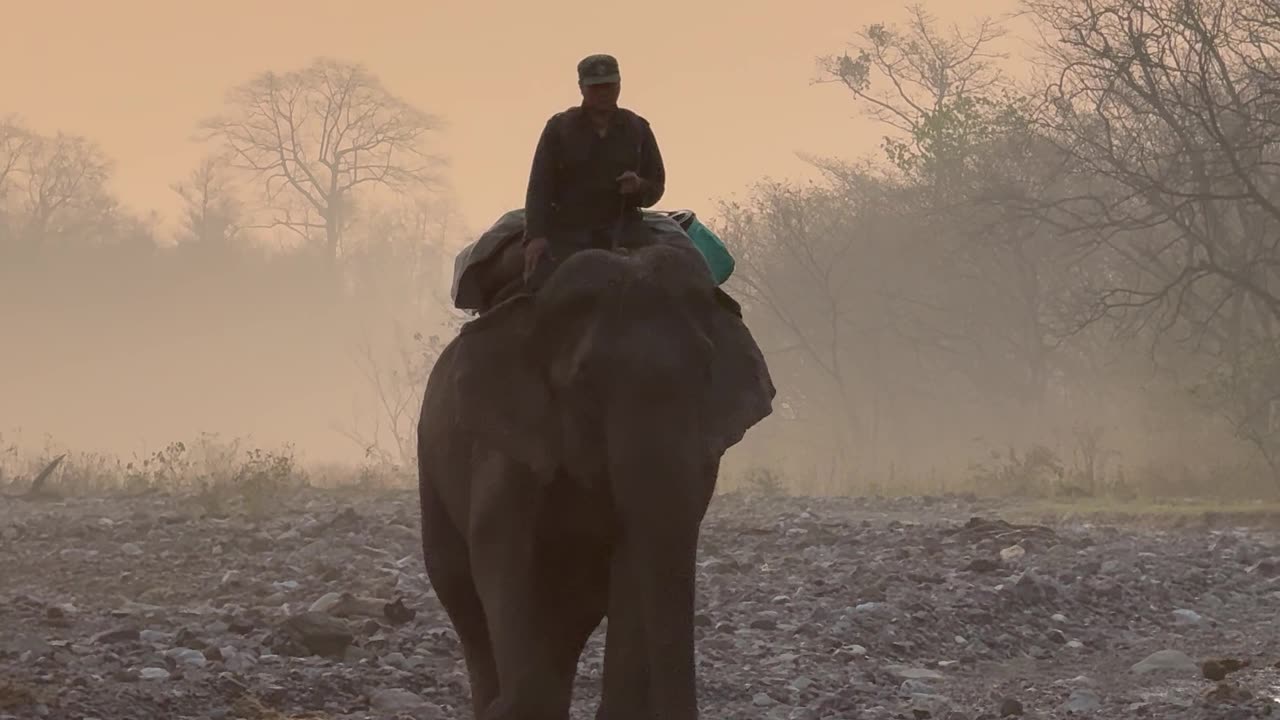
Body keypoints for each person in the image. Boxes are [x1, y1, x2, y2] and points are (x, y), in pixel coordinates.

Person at [521, 53, 667, 285]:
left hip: (627, 230)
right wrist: (536, 236)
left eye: (610, 86)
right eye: (595, 87)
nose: (603, 93)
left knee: (672, 276)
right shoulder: (559, 128)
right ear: (581, 88)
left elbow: (656, 186)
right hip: (569, 232)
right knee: (541, 286)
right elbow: (539, 186)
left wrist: (639, 186)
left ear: (619, 84)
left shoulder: (637, 128)